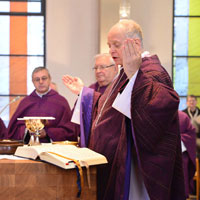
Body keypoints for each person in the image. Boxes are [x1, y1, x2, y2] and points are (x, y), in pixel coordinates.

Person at [63, 19, 185, 200]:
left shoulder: (152, 71)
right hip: (113, 161)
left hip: (135, 168)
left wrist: (136, 75)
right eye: (109, 45)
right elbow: (108, 109)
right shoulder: (124, 72)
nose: (111, 50)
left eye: (116, 45)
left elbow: (160, 109)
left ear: (135, 43)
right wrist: (85, 95)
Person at [7, 67, 76, 143]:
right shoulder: (25, 102)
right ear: (33, 82)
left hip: (53, 149)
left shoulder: (61, 102)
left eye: (44, 78)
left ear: (49, 79)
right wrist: (27, 131)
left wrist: (48, 133)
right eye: (37, 79)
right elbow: (14, 128)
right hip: (29, 149)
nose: (40, 82)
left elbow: (69, 130)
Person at [179, 110, 196, 198]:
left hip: (181, 155)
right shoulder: (160, 114)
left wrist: (177, 137)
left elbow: (191, 134)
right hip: (164, 156)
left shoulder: (183, 116)